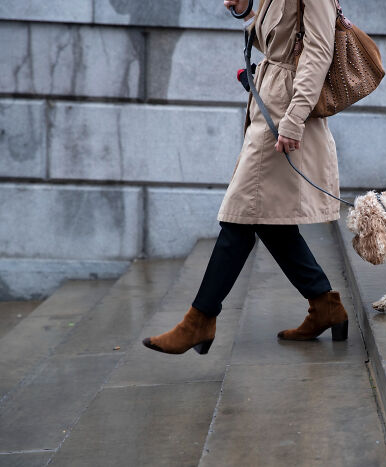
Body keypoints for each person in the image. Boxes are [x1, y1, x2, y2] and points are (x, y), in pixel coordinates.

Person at [142, 0, 348, 354]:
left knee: (238, 217)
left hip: (284, 117)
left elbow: (318, 51)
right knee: (269, 221)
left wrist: (295, 119)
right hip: (266, 108)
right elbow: (275, 42)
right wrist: (248, 10)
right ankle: (325, 305)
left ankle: (200, 320)